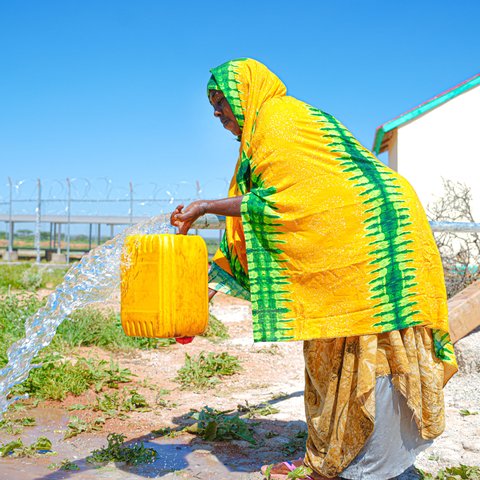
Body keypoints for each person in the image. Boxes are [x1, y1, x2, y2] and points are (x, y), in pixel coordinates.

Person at [170, 58, 457, 480]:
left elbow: (283, 202)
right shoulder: (261, 138)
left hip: (374, 239)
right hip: (349, 238)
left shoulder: (280, 123)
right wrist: (200, 298)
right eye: (212, 105)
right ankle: (341, 454)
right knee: (330, 348)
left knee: (370, 347)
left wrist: (206, 206)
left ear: (245, 95)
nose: (217, 112)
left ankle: (371, 464)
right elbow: (255, 226)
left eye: (221, 101)